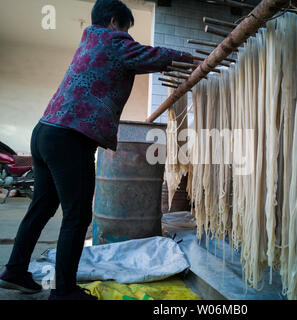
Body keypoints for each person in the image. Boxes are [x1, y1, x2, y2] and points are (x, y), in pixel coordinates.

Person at [0, 0, 194, 300]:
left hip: (46, 131)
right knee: (77, 217)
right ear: (115, 21)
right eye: (127, 28)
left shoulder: (89, 43)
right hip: (70, 137)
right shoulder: (112, 39)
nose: (128, 35)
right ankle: (63, 291)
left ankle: (15, 271)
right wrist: (186, 58)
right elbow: (147, 55)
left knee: (42, 206)